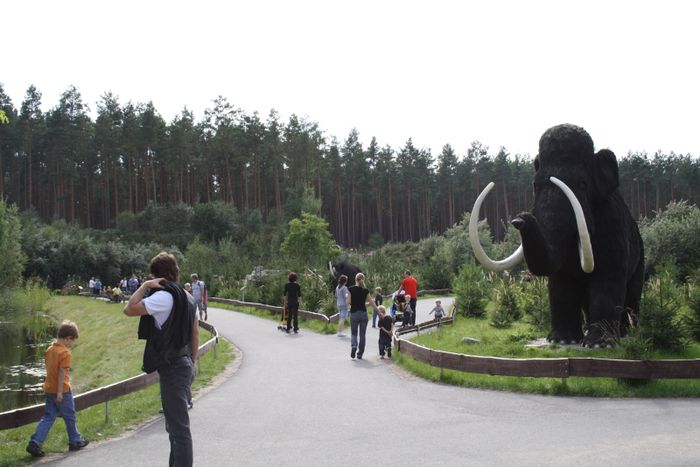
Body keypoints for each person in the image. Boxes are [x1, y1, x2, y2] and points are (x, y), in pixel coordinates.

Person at [124, 251, 199, 467]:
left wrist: (145, 286)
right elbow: (194, 334)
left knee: (179, 430)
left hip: (173, 367)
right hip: (184, 363)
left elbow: (129, 309)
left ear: (157, 276)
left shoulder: (163, 297)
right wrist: (192, 362)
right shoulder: (188, 297)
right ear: (175, 272)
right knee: (174, 428)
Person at [26, 320, 90, 458]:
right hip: (63, 391)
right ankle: (75, 441)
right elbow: (62, 373)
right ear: (68, 338)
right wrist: (60, 392)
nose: (71, 345)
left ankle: (35, 442)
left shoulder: (49, 349)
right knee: (70, 416)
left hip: (49, 389)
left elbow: (50, 370)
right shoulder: (65, 353)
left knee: (48, 417)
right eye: (72, 342)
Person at [348, 272, 379, 360]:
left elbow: (348, 302)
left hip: (354, 313)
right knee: (362, 335)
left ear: (355, 279)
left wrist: (348, 298)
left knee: (354, 333)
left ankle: (354, 345)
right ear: (363, 280)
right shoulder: (365, 290)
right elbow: (371, 302)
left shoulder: (350, 289)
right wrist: (379, 312)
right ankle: (360, 354)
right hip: (363, 314)